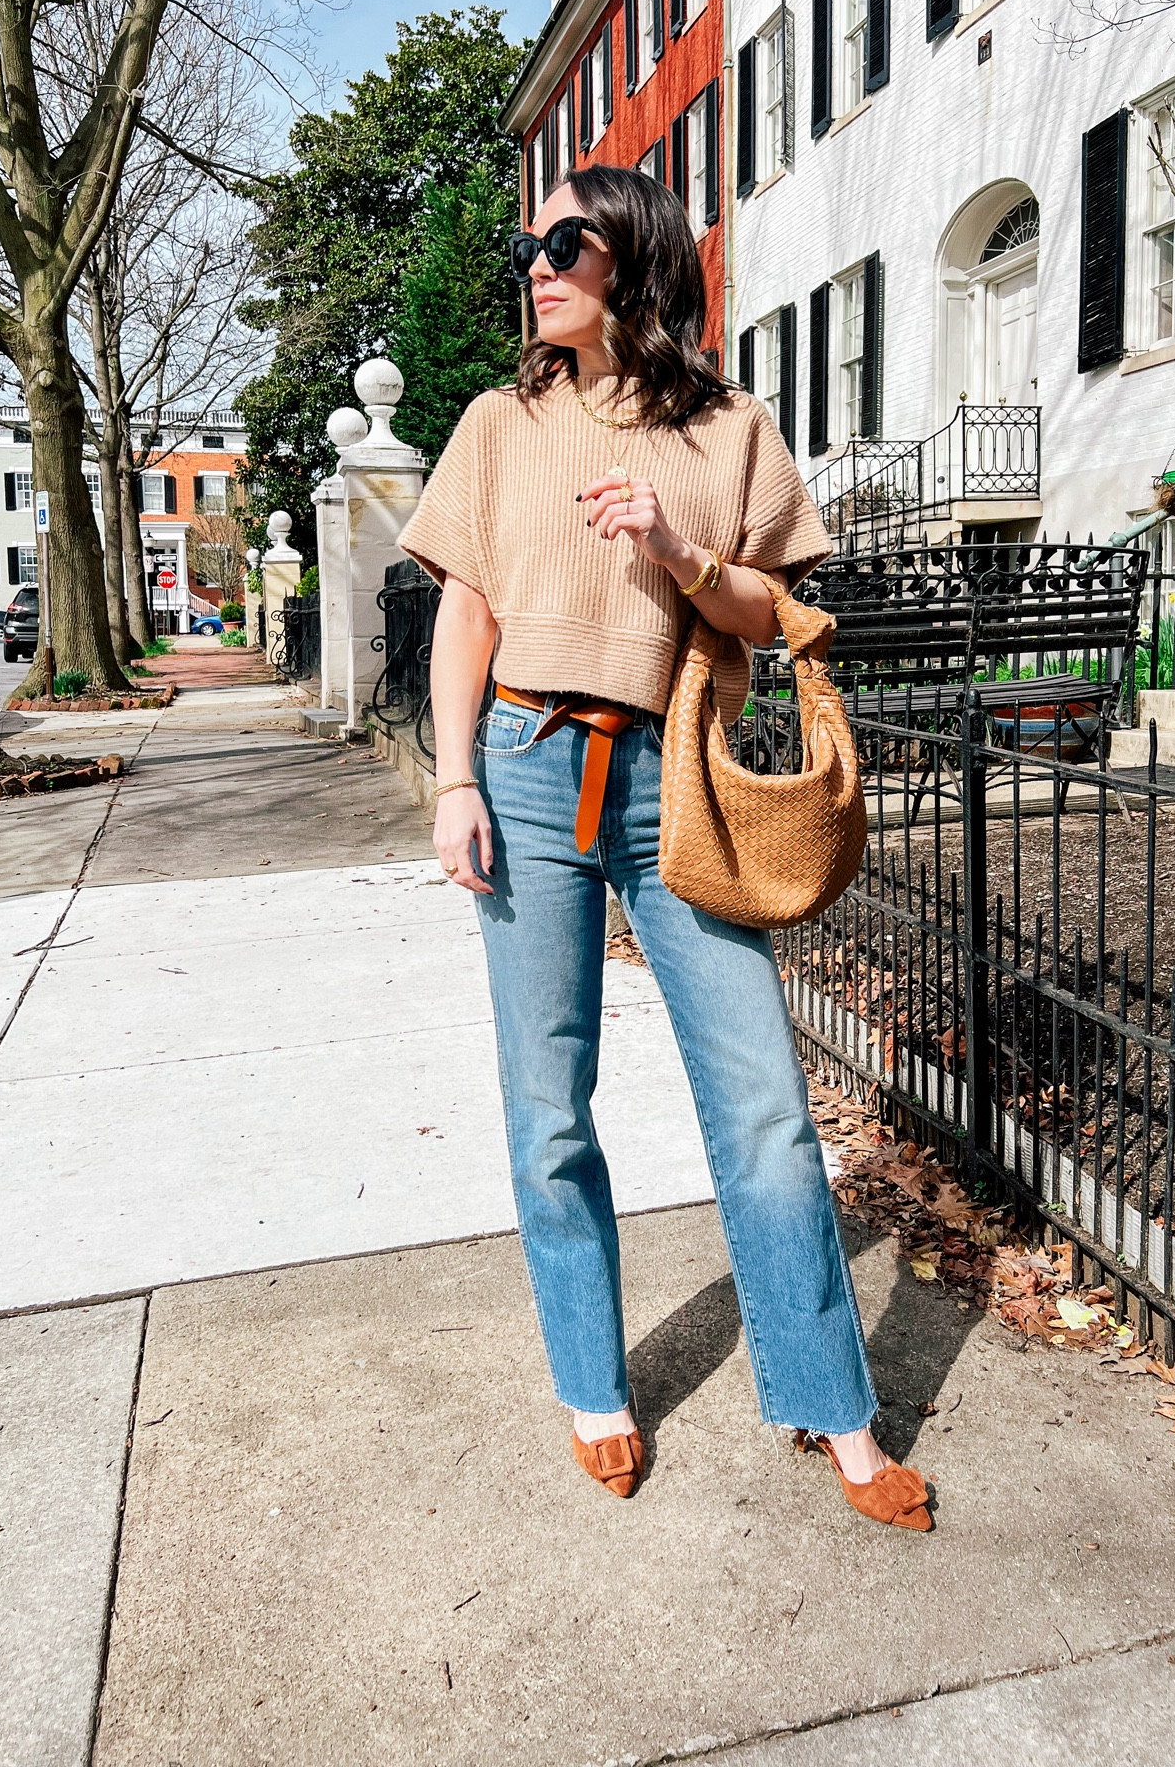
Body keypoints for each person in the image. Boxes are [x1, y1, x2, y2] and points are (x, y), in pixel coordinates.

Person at [398, 163, 930, 1532]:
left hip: (668, 775)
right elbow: (465, 613)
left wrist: (684, 551)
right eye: (530, 240)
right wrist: (454, 778)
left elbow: (775, 616)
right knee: (549, 1100)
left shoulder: (728, 425)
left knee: (762, 1102)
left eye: (563, 240)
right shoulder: (500, 423)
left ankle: (834, 1403)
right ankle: (595, 1383)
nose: (535, 261)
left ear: (632, 261)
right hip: (522, 769)